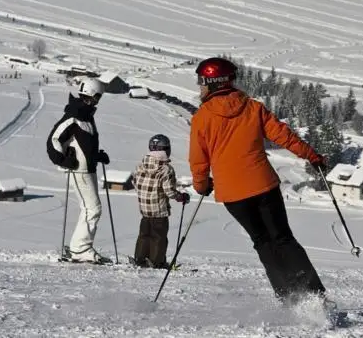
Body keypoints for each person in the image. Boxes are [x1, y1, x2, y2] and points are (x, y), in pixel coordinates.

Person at [188, 57, 328, 305]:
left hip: (233, 195)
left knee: (263, 242)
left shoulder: (202, 118)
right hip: (263, 185)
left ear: (211, 82)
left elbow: (199, 160)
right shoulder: (253, 108)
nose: (199, 88)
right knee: (283, 238)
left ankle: (288, 298)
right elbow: (283, 135)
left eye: (201, 82)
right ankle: (314, 295)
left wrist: (202, 186)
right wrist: (311, 156)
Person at [46, 78, 111, 264]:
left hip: (87, 169)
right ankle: (80, 249)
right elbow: (53, 140)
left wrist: (97, 156)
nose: (98, 100)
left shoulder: (87, 116)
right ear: (91, 94)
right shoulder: (74, 116)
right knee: (93, 208)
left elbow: (84, 145)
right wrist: (64, 161)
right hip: (79, 171)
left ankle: (79, 247)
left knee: (90, 208)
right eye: (97, 96)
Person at [132, 134, 190, 269]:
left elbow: (135, 183)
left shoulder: (140, 166)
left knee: (144, 234)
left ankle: (140, 259)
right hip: (159, 210)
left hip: (145, 209)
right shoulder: (165, 169)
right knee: (158, 236)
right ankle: (157, 261)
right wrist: (181, 197)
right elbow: (169, 191)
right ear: (166, 149)